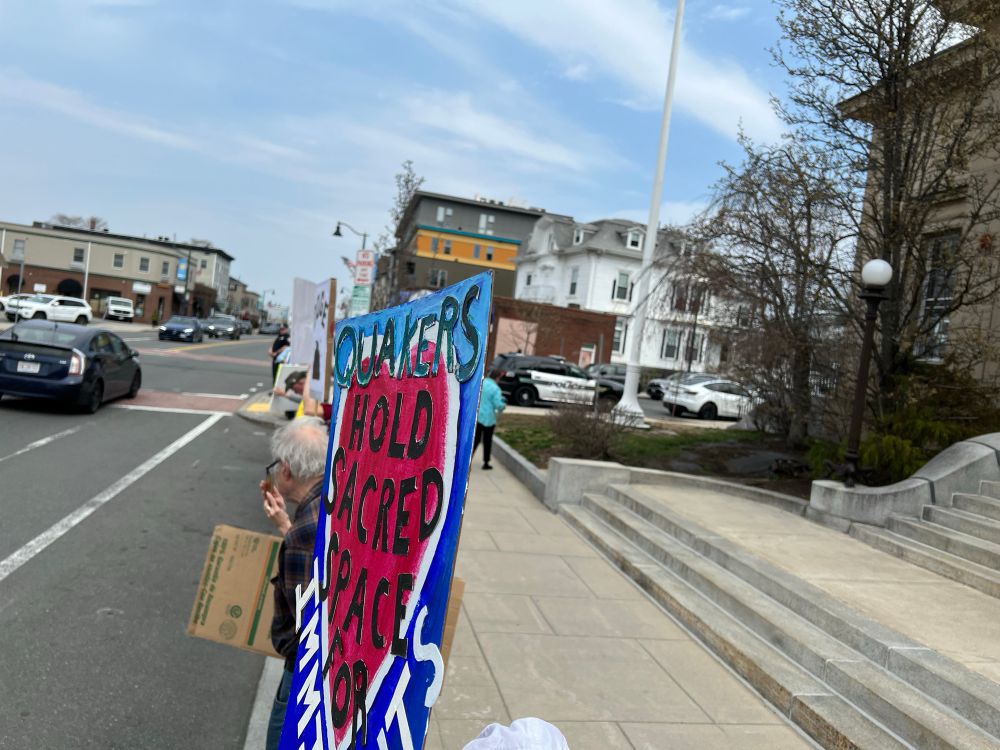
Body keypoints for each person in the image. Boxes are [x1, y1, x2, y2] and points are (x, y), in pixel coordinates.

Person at [259, 417, 329, 750]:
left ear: (285, 469)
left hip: (306, 673)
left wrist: (291, 535)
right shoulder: (331, 501)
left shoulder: (304, 533)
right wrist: (285, 526)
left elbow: (308, 623)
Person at [474, 375, 505, 470]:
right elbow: (498, 405)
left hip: (477, 416)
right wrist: (503, 405)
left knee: (475, 440)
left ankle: (467, 460)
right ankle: (486, 463)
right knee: (487, 441)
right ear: (497, 378)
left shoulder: (481, 382)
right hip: (489, 419)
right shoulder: (495, 389)